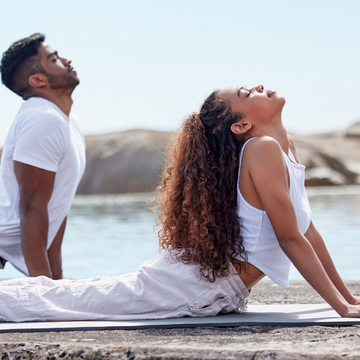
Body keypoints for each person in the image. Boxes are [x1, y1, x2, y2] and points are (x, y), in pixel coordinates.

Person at [0, 85, 359, 323]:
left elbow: (307, 229)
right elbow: (289, 238)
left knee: (75, 294)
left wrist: (349, 299)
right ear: (242, 124)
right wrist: (340, 308)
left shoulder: (284, 149)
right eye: (249, 91)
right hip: (196, 287)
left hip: (205, 283)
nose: (261, 88)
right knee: (68, 302)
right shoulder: (261, 149)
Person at [0, 33, 85, 279]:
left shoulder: (67, 121)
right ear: (38, 80)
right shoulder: (42, 118)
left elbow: (56, 209)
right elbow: (31, 207)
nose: (67, 60)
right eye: (54, 59)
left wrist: (57, 284)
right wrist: (45, 294)